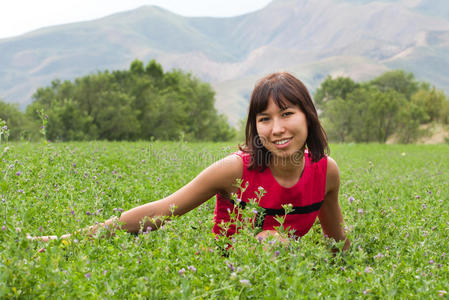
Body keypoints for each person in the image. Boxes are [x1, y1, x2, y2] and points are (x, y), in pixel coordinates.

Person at [31, 72, 350, 251]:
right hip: (229, 272)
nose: (277, 128)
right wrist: (66, 241)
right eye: (264, 118)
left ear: (308, 116)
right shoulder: (236, 169)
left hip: (284, 273)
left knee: (275, 243)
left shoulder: (326, 172)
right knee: (270, 240)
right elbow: (160, 211)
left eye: (287, 114)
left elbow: (336, 240)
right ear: (255, 126)